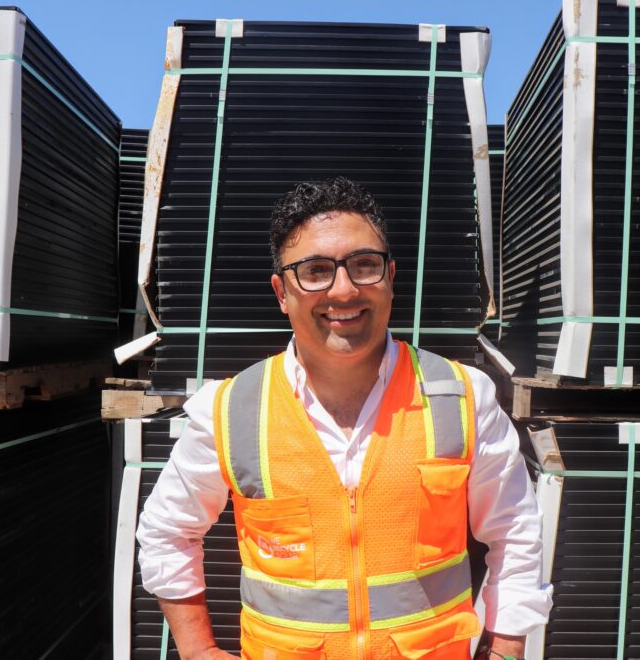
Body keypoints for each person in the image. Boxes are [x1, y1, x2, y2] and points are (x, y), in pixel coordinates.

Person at [137, 177, 552, 660]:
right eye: (315, 271)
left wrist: (505, 649)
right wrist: (197, 650)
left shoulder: (460, 397)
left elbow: (515, 530)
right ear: (281, 291)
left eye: (364, 265)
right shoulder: (231, 409)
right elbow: (167, 531)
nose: (343, 288)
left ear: (390, 278)